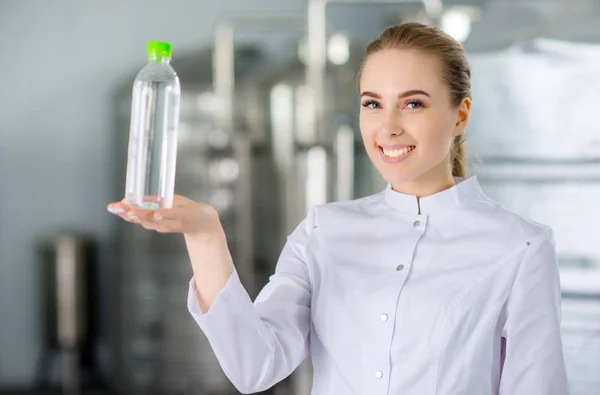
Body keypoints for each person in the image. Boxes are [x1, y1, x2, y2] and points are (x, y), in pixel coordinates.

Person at [107, 22, 570, 395]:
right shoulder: (324, 231)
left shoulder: (520, 246)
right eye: (373, 103)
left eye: (413, 103)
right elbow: (255, 367)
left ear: (460, 114)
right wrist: (204, 235)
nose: (387, 127)